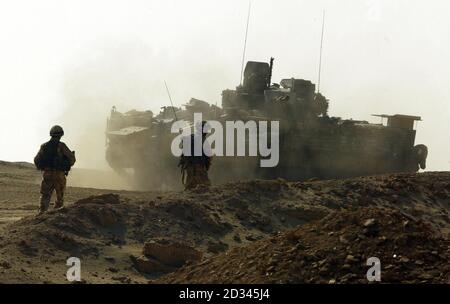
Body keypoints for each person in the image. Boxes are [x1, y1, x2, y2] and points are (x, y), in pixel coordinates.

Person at [34, 125, 76, 214]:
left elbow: (36, 160)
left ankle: (42, 214)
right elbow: (72, 159)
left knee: (45, 195)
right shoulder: (62, 146)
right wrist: (65, 165)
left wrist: (44, 167)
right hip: (59, 175)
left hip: (47, 174)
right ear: (61, 135)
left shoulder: (44, 146)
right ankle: (56, 215)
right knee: (59, 197)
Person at [178, 121, 212, 190]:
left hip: (189, 166)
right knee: (205, 186)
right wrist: (207, 164)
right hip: (199, 167)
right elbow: (208, 156)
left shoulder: (189, 138)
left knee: (190, 187)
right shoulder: (203, 140)